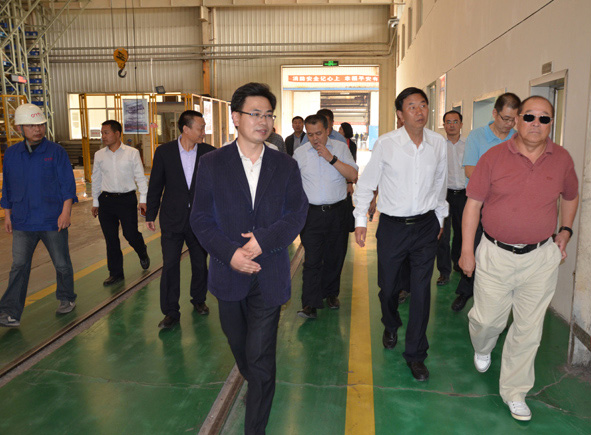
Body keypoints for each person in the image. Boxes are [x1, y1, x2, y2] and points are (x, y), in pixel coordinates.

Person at [191, 82, 308, 434]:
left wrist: (263, 242)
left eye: (268, 115)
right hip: (229, 274)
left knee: (260, 359)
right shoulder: (212, 163)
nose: (263, 121)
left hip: (269, 272)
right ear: (235, 118)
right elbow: (201, 219)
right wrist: (230, 254)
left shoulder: (285, 165)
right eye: (255, 114)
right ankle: (254, 381)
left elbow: (297, 213)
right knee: (240, 346)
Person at [459, 96, 578, 421]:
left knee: (528, 329)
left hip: (540, 258)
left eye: (544, 118)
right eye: (529, 117)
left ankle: (515, 391)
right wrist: (467, 250)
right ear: (517, 120)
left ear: (551, 123)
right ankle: (483, 346)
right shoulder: (494, 157)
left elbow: (571, 195)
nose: (536, 124)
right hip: (495, 254)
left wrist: (565, 231)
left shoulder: (562, 159)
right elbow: (473, 205)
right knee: (487, 321)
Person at [353, 87, 447, 381]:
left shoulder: (438, 144)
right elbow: (367, 183)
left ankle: (416, 355)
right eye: (412, 106)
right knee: (388, 287)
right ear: (400, 114)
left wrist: (440, 217)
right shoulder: (386, 144)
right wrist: (360, 220)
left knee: (421, 291)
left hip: (425, 226)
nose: (419, 111)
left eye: (423, 105)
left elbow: (440, 183)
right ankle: (390, 323)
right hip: (393, 227)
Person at [0, 104, 78, 327]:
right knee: (19, 266)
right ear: (20, 128)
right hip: (23, 220)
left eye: (41, 125)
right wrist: (8, 215)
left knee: (61, 263)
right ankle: (9, 312)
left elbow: (67, 184)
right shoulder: (12, 154)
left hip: (52, 219)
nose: (38, 129)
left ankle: (66, 297)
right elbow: (8, 187)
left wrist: (66, 212)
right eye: (32, 126)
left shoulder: (55, 152)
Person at [146, 110, 215, 329]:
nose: (203, 132)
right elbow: (156, 184)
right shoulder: (164, 152)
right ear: (186, 129)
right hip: (172, 219)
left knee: (200, 263)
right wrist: (150, 214)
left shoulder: (209, 153)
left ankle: (199, 299)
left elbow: (217, 187)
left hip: (200, 220)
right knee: (170, 265)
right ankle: (170, 312)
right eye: (200, 128)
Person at [451, 92, 520, 312]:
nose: (509, 124)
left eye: (513, 119)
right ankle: (466, 290)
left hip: (508, 208)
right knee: (474, 247)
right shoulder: (477, 137)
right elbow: (471, 170)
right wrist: (502, 182)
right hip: (478, 204)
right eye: (505, 118)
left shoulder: (518, 138)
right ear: (494, 113)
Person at [293, 115, 358, 319]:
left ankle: (330, 293)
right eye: (310, 134)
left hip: (337, 212)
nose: (315, 139)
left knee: (334, 256)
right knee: (312, 260)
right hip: (311, 215)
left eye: (319, 133)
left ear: (328, 130)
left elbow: (353, 175)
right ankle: (310, 304)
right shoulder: (300, 153)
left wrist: (331, 158)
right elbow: (292, 184)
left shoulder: (340, 148)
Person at [91, 120, 150, 286]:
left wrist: (143, 200)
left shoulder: (132, 153)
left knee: (130, 234)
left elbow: (140, 177)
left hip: (126, 200)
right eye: (102, 133)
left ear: (117, 134)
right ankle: (116, 273)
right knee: (111, 239)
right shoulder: (99, 155)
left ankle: (142, 251)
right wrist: (95, 201)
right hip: (106, 201)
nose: (103, 136)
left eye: (106, 133)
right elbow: (96, 178)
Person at [436, 110, 466, 286]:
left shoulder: (469, 145)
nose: (452, 125)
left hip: (464, 195)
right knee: (443, 235)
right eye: (448, 122)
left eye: (455, 121)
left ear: (461, 124)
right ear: (444, 125)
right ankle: (443, 271)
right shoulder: (439, 146)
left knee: (462, 232)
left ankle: (458, 261)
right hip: (444, 195)